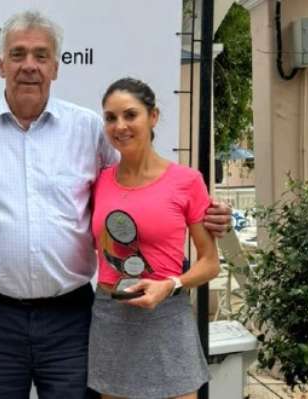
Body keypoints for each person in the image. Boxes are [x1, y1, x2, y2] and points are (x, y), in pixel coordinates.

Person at [0, 10, 231, 399]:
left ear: (56, 67)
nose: (29, 65)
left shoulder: (88, 129)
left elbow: (138, 190)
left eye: (40, 55)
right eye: (17, 54)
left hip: (71, 317)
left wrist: (206, 212)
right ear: (0, 65)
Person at [87, 78, 220, 399]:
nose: (120, 126)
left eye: (130, 115)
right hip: (112, 314)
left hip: (166, 315)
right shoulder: (100, 180)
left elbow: (210, 263)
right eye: (110, 118)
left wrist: (171, 284)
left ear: (154, 116)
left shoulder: (186, 181)